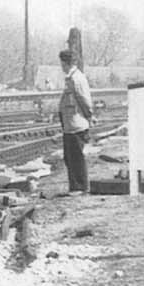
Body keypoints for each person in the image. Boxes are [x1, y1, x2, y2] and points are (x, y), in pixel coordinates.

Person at [57, 49, 93, 195]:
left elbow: (84, 99)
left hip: (76, 123)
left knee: (76, 157)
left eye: (62, 63)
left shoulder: (75, 79)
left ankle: (80, 187)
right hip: (70, 124)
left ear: (65, 63)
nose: (61, 66)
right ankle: (76, 186)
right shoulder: (71, 78)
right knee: (69, 157)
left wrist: (89, 116)